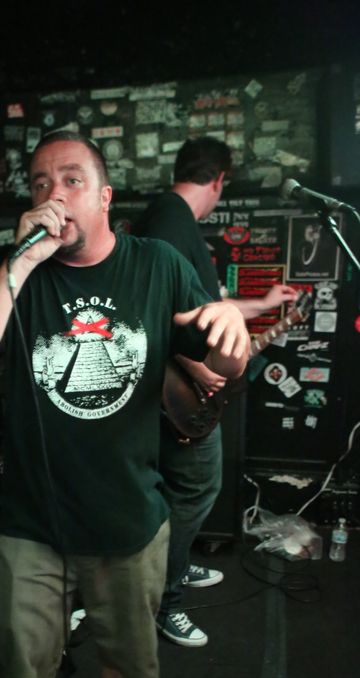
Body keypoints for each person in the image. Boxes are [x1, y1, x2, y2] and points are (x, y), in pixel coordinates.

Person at [0, 130, 250, 678]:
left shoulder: (156, 263)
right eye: (41, 183)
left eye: (72, 180)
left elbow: (224, 364)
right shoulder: (18, 271)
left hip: (127, 509)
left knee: (125, 644)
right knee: (26, 652)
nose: (54, 195)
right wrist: (20, 263)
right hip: (33, 517)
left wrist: (235, 334)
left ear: (105, 196)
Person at [134, 137, 298, 647]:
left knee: (184, 491)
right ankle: (165, 599)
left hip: (188, 394)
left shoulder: (177, 220)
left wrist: (263, 304)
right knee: (196, 489)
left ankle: (175, 566)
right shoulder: (168, 219)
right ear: (220, 179)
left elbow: (202, 307)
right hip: (178, 395)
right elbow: (143, 309)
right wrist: (190, 363)